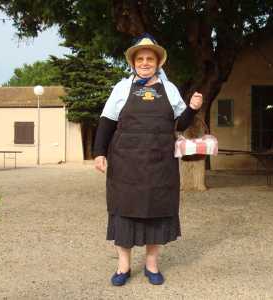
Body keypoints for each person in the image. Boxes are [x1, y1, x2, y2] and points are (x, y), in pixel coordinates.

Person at [93, 33, 202, 286]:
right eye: (140, 58)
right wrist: (99, 152)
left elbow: (181, 123)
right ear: (133, 62)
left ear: (157, 63)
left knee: (156, 211)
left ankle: (152, 264)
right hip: (125, 163)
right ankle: (123, 266)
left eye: (149, 59)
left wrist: (193, 108)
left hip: (160, 162)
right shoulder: (121, 88)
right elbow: (107, 122)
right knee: (123, 212)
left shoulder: (169, 88)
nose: (144, 62)